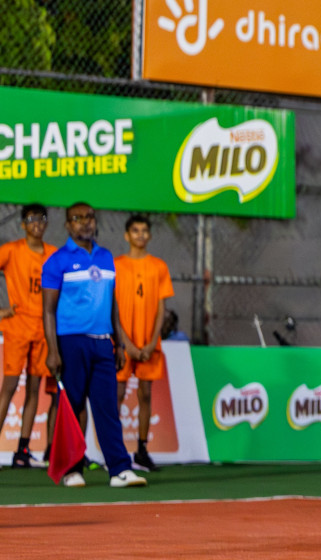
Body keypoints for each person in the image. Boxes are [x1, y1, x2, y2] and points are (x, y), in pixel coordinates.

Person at [40, 202, 144, 487]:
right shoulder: (57, 261)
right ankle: (72, 469)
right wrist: (52, 349)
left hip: (103, 344)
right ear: (68, 225)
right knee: (71, 407)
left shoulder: (107, 257)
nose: (85, 223)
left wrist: (119, 343)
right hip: (71, 342)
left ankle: (119, 470)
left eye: (89, 218)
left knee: (107, 407)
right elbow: (48, 310)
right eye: (77, 219)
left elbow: (112, 303)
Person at [115, 215, 174, 473]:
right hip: (122, 343)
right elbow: (112, 307)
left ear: (149, 236)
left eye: (144, 231)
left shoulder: (159, 267)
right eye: (135, 231)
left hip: (149, 343)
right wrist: (124, 341)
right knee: (116, 395)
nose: (140, 235)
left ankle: (141, 450)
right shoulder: (116, 265)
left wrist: (152, 341)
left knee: (145, 394)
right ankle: (115, 452)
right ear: (127, 235)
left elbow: (162, 308)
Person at [0, 203, 57, 468]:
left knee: (34, 389)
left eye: (41, 219)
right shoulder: (11, 251)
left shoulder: (53, 255)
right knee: (9, 389)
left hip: (44, 330)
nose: (37, 223)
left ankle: (22, 451)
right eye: (32, 219)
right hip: (17, 328)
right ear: (23, 224)